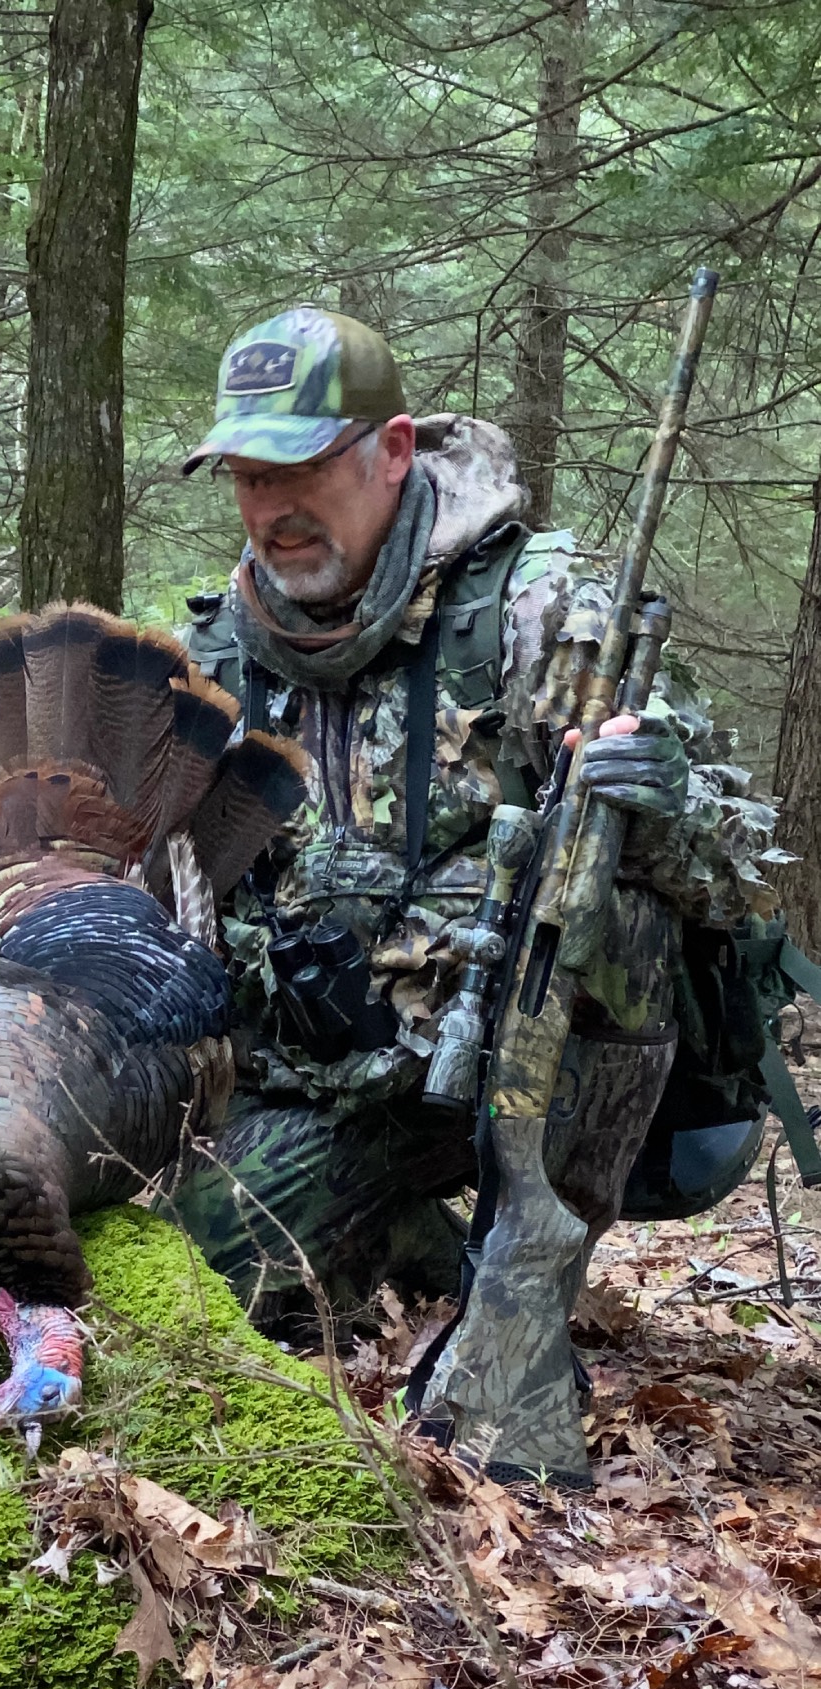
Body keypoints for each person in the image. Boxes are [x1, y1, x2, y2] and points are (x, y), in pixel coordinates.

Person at [169, 307, 788, 1462]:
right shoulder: (214, 655)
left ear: (393, 449)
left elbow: (740, 890)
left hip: (525, 1068)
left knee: (602, 888)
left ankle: (528, 1273)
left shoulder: (546, 609)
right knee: (201, 1275)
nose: (273, 509)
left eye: (303, 468)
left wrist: (665, 808)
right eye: (250, 477)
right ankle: (415, 1239)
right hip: (324, 1079)